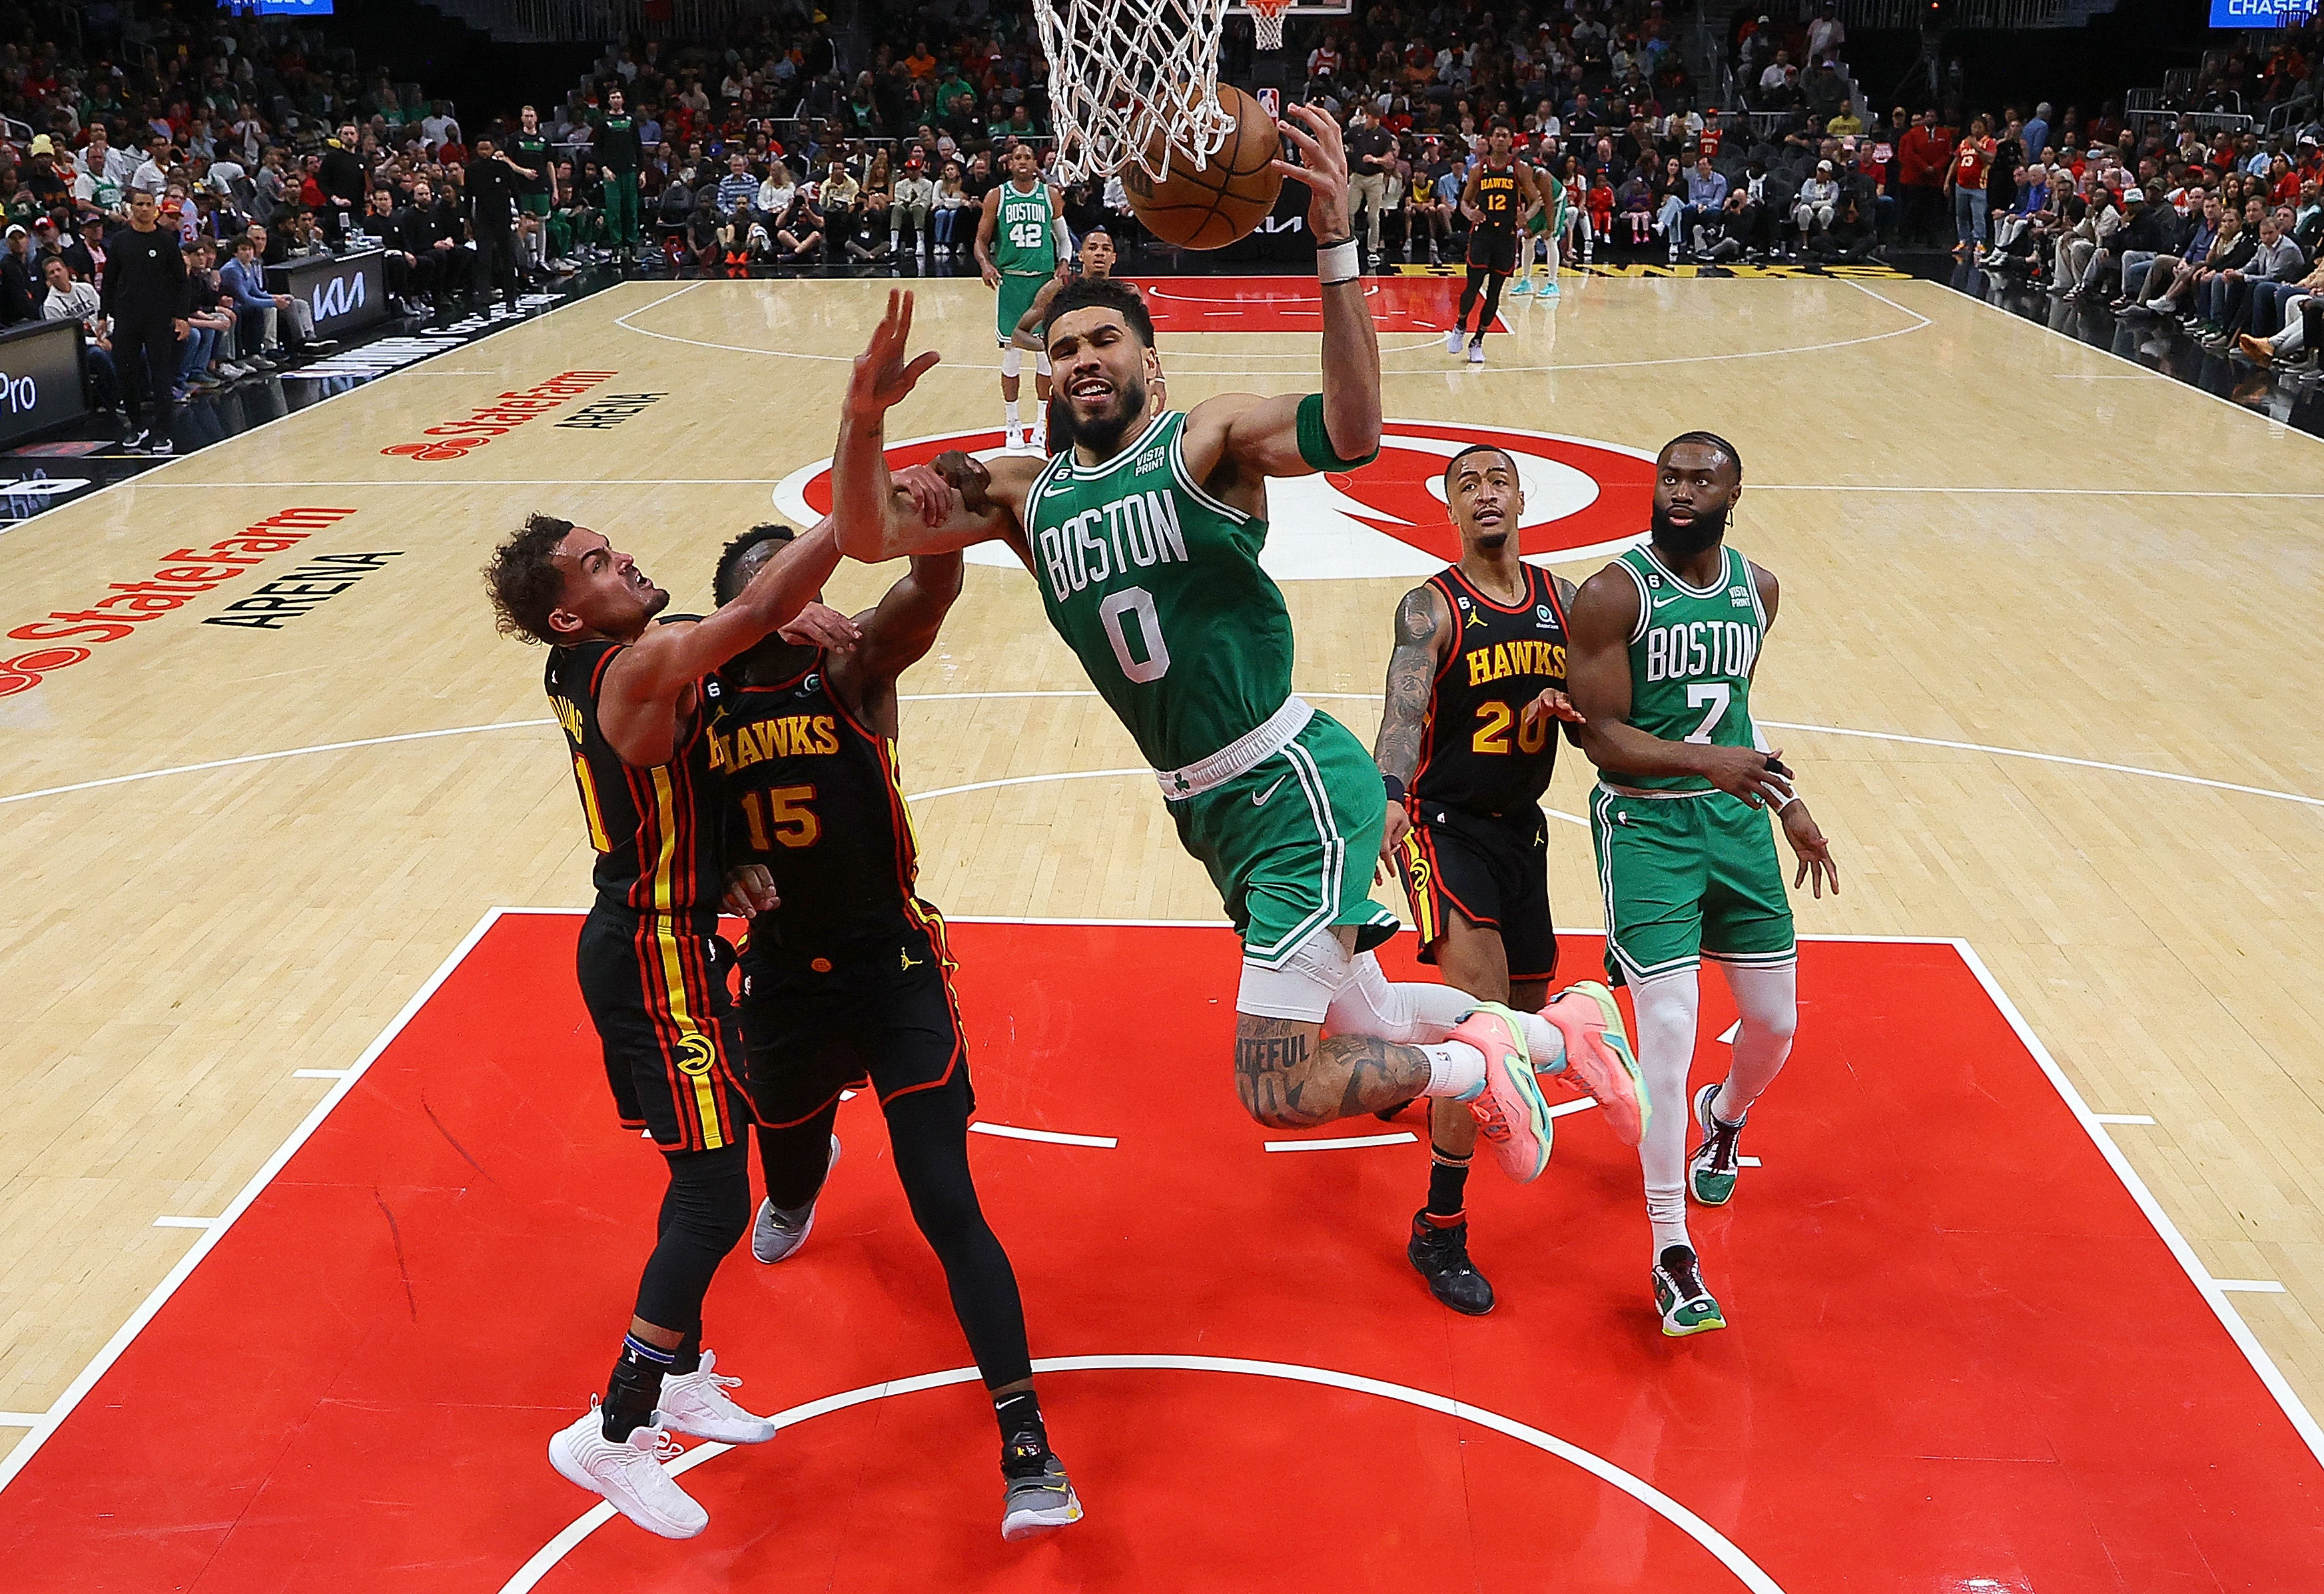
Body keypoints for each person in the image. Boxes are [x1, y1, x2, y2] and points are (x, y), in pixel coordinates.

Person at [835, 123, 1642, 1201]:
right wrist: (858, 422)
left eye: (1103, 343)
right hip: (1208, 807)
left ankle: (1479, 1064)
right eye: (1064, 347)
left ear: (1147, 363)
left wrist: (1334, 252)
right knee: (1366, 1017)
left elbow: (1353, 432)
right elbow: (865, 533)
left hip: (1289, 784)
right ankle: (1562, 1032)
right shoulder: (1021, 495)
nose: (1081, 359)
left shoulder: (1200, 442)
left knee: (1271, 1081)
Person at [481, 492, 848, 1541]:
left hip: (655, 934)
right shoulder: (640, 665)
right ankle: (614, 1427)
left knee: (708, 1177)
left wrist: (718, 857)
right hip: (653, 954)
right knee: (713, 1196)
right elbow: (767, 599)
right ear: (567, 615)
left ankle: (681, 1371)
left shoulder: (600, 663)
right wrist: (860, 451)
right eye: (598, 563)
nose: (625, 560)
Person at [707, 522, 1082, 1541]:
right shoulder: (693, 697)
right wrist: (712, 877)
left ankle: (1029, 1449)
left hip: (892, 974)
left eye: (810, 578)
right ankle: (803, 1167)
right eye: (778, 587)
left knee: (946, 1203)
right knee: (779, 1169)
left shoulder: (854, 663)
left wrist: (941, 520)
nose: (804, 598)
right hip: (782, 982)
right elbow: (640, 825)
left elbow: (930, 591)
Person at [1561, 433, 1841, 1337]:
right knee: (1671, 1032)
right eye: (1670, 477)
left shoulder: (1756, 589)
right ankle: (1670, 1251)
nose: (1679, 492)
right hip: (1647, 826)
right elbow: (1597, 733)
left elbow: (1739, 714)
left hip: (1736, 825)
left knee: (1775, 1025)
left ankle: (1724, 1117)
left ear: (1733, 494)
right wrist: (1702, 763)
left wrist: (1787, 801)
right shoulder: (1613, 593)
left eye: (1699, 480)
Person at [1371, 445, 1644, 1315]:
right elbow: (1401, 713)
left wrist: (1572, 710)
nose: (1484, 495)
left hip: (1521, 837)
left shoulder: (1560, 603)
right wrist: (1382, 795)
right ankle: (1438, 1228)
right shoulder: (1431, 607)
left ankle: (1401, 1069)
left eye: (1497, 482)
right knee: (1489, 1034)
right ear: (1448, 507)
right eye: (1466, 485)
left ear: (1522, 498)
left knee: (1525, 1023)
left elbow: (1601, 722)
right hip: (1441, 832)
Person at [976, 143, 1063, 450]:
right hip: (1011, 282)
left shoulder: (1049, 195)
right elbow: (981, 240)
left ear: (1034, 163)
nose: (1023, 162)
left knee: (1044, 355)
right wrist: (986, 265)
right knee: (1012, 354)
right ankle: (1012, 423)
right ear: (1009, 164)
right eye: (1018, 158)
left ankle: (1042, 422)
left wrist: (1064, 264)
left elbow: (1063, 239)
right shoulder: (997, 197)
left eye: (1028, 157)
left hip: (1043, 282)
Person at [1008, 226, 1118, 454]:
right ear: (1081, 255)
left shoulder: (1124, 295)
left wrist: (1157, 379)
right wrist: (1051, 347)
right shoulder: (1058, 289)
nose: (1099, 253)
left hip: (1112, 393)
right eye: (1093, 248)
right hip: (1068, 394)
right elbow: (1018, 334)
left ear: (1113, 258)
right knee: (1062, 464)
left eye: (1106, 249)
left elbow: (1143, 342)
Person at [101, 188, 189, 454]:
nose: (144, 209)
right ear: (131, 208)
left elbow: (181, 283)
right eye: (139, 204)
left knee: (160, 375)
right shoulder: (120, 241)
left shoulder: (165, 242)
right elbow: (110, 280)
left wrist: (182, 317)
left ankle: (163, 432)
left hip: (158, 318)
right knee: (126, 372)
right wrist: (103, 315)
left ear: (156, 209)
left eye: (149, 204)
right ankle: (137, 426)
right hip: (127, 317)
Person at [1446, 123, 1542, 366]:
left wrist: (1526, 218)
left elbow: (1536, 201)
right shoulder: (1479, 170)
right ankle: (1460, 324)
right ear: (1489, 140)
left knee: (1495, 291)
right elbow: (1465, 202)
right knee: (1473, 285)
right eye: (1496, 135)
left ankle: (1477, 340)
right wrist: (1470, 214)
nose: (1500, 139)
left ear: (1511, 141)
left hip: (1506, 237)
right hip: (1483, 234)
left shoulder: (1520, 169)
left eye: (1505, 135)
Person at [40, 255, 120, 417]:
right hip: (80, 346)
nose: (56, 274)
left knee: (131, 342)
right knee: (99, 355)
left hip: (102, 334)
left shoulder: (86, 289)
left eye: (59, 269)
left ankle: (144, 391)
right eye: (51, 273)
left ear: (67, 271)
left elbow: (105, 315)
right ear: (48, 279)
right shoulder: (50, 305)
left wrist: (109, 332)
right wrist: (96, 342)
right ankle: (117, 398)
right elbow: (66, 337)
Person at [465, 135, 524, 314]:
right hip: (483, 220)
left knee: (508, 259)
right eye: (480, 149)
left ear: (493, 149)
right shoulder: (471, 170)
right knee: (484, 260)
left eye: (487, 149)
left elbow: (515, 191)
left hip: (503, 219)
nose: (484, 152)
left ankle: (511, 299)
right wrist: (467, 220)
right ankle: (483, 298)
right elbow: (468, 197)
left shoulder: (503, 168)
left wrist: (520, 214)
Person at [595, 87, 645, 262]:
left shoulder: (631, 120)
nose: (616, 100)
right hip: (612, 173)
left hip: (630, 170)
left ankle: (632, 247)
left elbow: (638, 147)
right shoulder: (604, 121)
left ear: (623, 100)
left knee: (631, 210)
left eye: (618, 97)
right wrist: (604, 168)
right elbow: (597, 149)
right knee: (614, 211)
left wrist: (642, 171)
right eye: (613, 97)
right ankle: (616, 247)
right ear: (609, 100)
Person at [508, 107, 556, 281]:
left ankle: (541, 260)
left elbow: (550, 163)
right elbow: (507, 160)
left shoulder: (544, 139)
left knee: (542, 221)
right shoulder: (515, 139)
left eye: (532, 116)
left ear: (536, 118)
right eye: (526, 116)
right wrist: (523, 172)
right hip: (521, 186)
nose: (529, 119)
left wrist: (555, 188)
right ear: (522, 119)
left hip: (541, 186)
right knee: (522, 222)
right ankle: (522, 263)